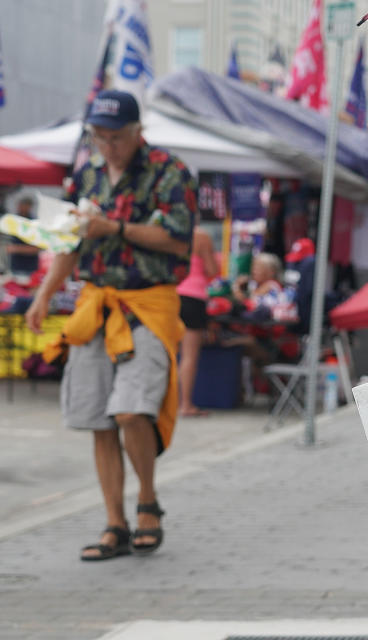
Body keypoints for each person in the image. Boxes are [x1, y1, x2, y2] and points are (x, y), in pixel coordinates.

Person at [25, 90, 196, 561]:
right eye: (99, 137)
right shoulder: (88, 174)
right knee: (99, 417)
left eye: (115, 137)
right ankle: (114, 523)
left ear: (138, 132)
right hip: (95, 302)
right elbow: (67, 242)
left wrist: (116, 229)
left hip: (148, 303)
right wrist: (43, 295)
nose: (107, 146)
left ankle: (147, 502)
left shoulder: (169, 172)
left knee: (130, 410)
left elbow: (179, 242)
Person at [176, 226, 219, 417]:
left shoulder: (170, 230)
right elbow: (212, 270)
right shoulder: (201, 236)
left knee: (169, 354)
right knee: (189, 356)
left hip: (170, 294)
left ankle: (167, 403)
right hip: (193, 297)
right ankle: (185, 405)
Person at [5, 195, 41, 276]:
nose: (19, 207)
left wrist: (15, 249)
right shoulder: (13, 220)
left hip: (29, 268)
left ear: (29, 206)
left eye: (23, 205)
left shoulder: (34, 224)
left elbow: (36, 248)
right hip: (14, 267)